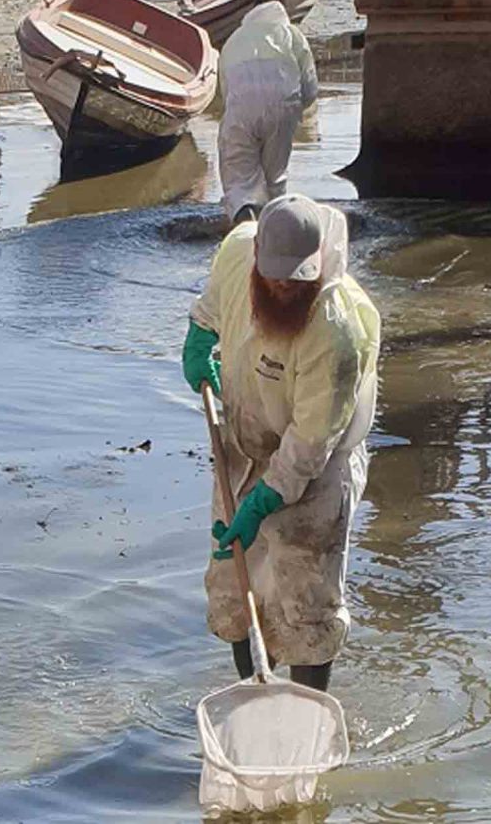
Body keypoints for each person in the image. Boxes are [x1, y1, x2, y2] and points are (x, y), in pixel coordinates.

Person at [182, 194, 380, 691]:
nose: (284, 286)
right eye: (273, 276)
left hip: (317, 464)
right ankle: (255, 693)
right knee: (233, 586)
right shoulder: (237, 251)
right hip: (242, 446)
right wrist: (199, 341)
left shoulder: (337, 332)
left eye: (297, 278)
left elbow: (308, 443)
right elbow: (209, 310)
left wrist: (263, 503)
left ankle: (306, 708)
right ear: (256, 259)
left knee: (305, 601)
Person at [217, 0, 318, 225]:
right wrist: (294, 111)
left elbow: (225, 90)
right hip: (283, 107)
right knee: (275, 178)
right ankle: (276, 235)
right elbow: (310, 88)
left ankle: (245, 231)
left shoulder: (234, 39)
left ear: (253, 9)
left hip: (241, 110)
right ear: (283, 10)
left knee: (240, 182)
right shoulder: (293, 35)